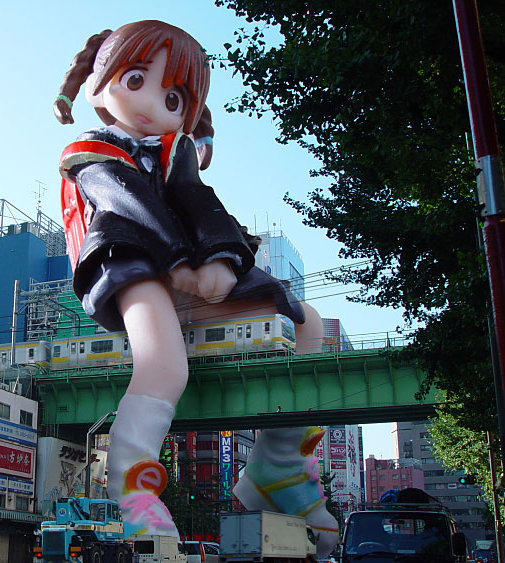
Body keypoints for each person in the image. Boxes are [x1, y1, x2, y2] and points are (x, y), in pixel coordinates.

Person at [55, 20, 324, 539]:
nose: (151, 104)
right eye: (135, 79)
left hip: (182, 271)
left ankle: (278, 466)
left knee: (305, 321)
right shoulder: (92, 152)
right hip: (127, 259)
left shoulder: (173, 153)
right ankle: (132, 486)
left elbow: (198, 202)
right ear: (98, 84)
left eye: (173, 98)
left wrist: (221, 259)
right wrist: (181, 265)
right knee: (163, 364)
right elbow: (128, 205)